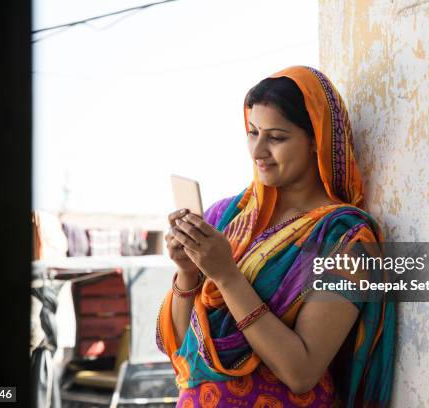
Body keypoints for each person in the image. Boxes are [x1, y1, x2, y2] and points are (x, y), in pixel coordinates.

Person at [156, 66, 395, 407]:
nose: (257, 151)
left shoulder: (345, 238)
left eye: (277, 137)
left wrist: (226, 275)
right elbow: (183, 350)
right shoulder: (227, 218)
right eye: (252, 133)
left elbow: (301, 371)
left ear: (317, 139)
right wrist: (188, 272)